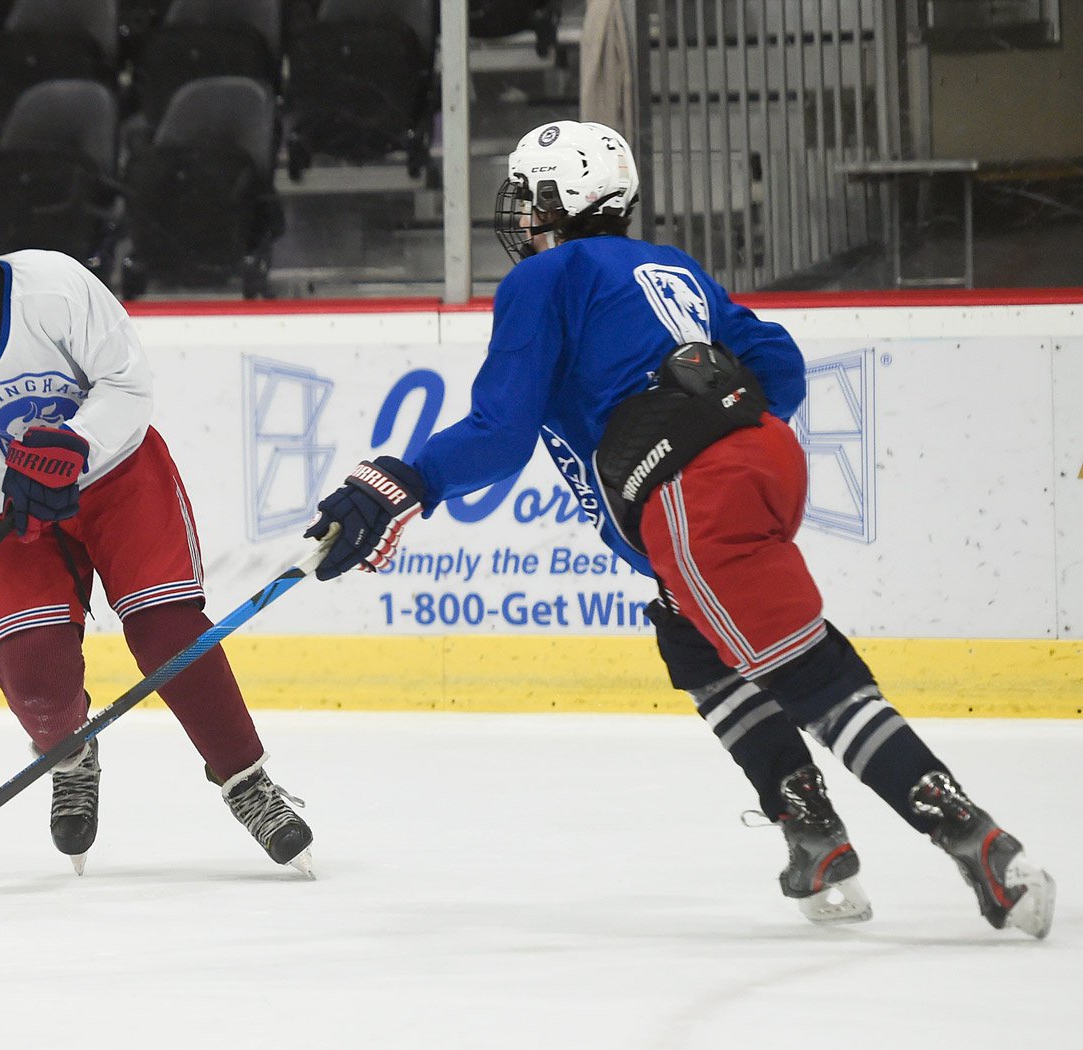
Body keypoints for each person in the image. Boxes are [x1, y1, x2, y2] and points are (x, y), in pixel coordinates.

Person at [303, 121, 1055, 936]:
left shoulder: (544, 278)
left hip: (694, 492)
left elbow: (500, 430)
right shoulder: (670, 266)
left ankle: (977, 841)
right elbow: (779, 367)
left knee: (811, 677)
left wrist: (402, 483)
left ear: (563, 200)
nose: (517, 213)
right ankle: (812, 833)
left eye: (529, 195)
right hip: (763, 460)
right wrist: (720, 427)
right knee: (688, 631)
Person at [0, 166, 315, 876]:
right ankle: (69, 751)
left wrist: (74, 444)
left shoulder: (55, 286)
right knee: (33, 674)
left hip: (116, 479)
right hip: (10, 510)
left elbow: (127, 386)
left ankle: (246, 781)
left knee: (168, 635)